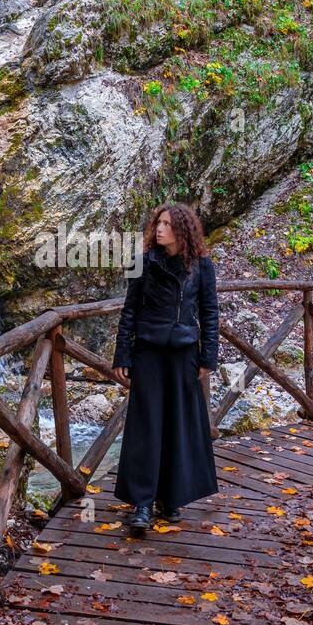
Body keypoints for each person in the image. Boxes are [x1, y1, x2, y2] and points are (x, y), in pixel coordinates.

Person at [112, 203, 219, 533]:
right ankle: (142, 502)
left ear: (182, 230)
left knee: (179, 425)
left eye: (168, 224)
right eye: (158, 222)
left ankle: (171, 498)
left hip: (183, 354)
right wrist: (123, 356)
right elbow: (129, 311)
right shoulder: (141, 263)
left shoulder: (201, 266)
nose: (159, 229)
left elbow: (209, 313)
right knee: (146, 426)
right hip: (148, 353)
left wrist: (207, 359)